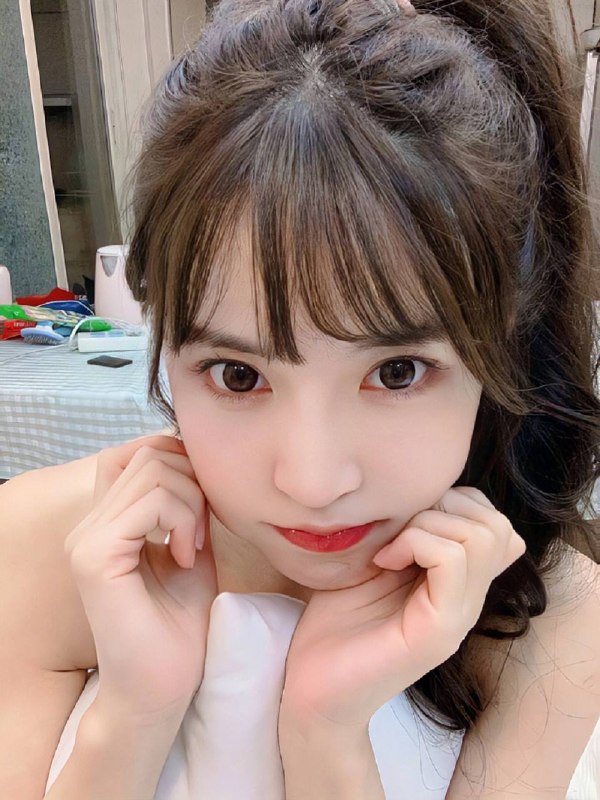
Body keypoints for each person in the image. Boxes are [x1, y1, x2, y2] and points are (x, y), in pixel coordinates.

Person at [1, 0, 599, 797]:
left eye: (397, 372)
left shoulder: (548, 610)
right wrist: (135, 713)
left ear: (502, 346)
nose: (314, 483)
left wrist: (326, 732)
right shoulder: (39, 545)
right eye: (238, 375)